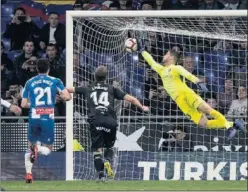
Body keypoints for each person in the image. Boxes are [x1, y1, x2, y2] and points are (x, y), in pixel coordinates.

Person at [138, 44, 245, 141]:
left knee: (207, 109)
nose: (163, 55)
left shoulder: (176, 68)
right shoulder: (161, 69)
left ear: (171, 57)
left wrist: (196, 80)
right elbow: (151, 61)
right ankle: (234, 124)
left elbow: (186, 74)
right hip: (180, 102)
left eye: (166, 54)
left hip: (186, 94)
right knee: (203, 123)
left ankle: (229, 127)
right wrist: (142, 50)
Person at [67, 65, 149, 181]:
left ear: (94, 76)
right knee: (109, 147)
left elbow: (69, 89)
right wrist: (142, 107)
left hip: (96, 120)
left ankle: (101, 175)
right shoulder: (112, 89)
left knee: (97, 150)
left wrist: (62, 93)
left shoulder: (88, 88)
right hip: (110, 121)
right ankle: (108, 161)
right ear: (106, 78)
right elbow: (132, 99)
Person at [21, 58, 71, 183]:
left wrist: (34, 105)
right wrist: (62, 97)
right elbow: (67, 97)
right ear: (49, 68)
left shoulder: (29, 82)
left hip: (34, 116)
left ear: (37, 68)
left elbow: (23, 104)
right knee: (48, 149)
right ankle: (38, 150)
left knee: (30, 146)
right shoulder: (56, 81)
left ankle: (28, 174)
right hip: (48, 117)